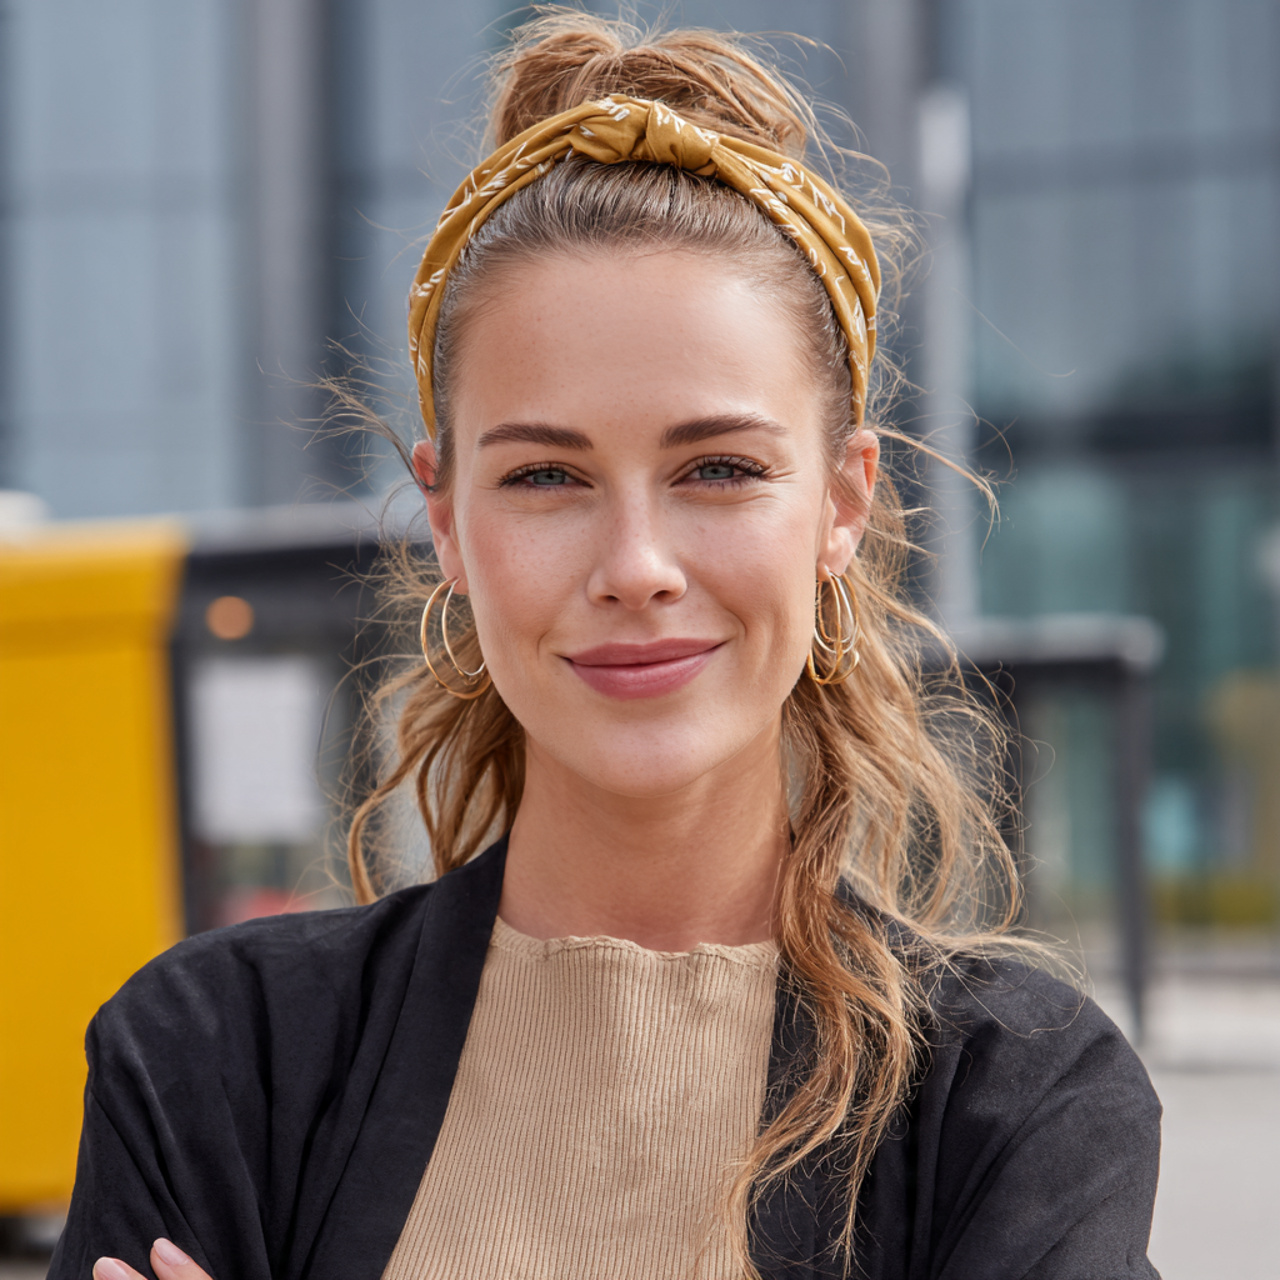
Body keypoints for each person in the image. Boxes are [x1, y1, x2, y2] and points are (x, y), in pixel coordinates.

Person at [52, 13, 1160, 1280]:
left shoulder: (1016, 1101)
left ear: (841, 503)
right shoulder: (210, 1054)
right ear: (445, 516)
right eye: (543, 476)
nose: (635, 565)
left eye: (719, 467)